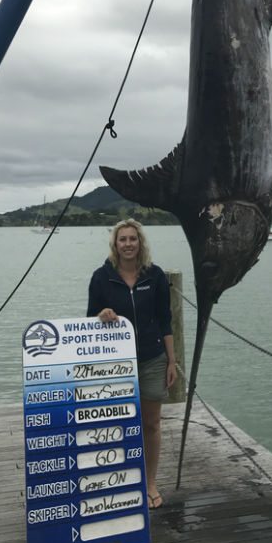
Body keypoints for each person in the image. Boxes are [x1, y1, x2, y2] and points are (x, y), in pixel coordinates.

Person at [87, 218, 176, 510]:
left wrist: (171, 361)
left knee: (150, 424)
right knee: (118, 424)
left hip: (152, 359)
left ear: (140, 243)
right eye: (122, 239)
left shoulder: (156, 276)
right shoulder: (101, 277)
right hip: (116, 363)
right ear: (115, 244)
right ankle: (120, 481)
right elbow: (90, 319)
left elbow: (165, 320)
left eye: (132, 239)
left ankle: (149, 483)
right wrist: (102, 315)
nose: (127, 244)